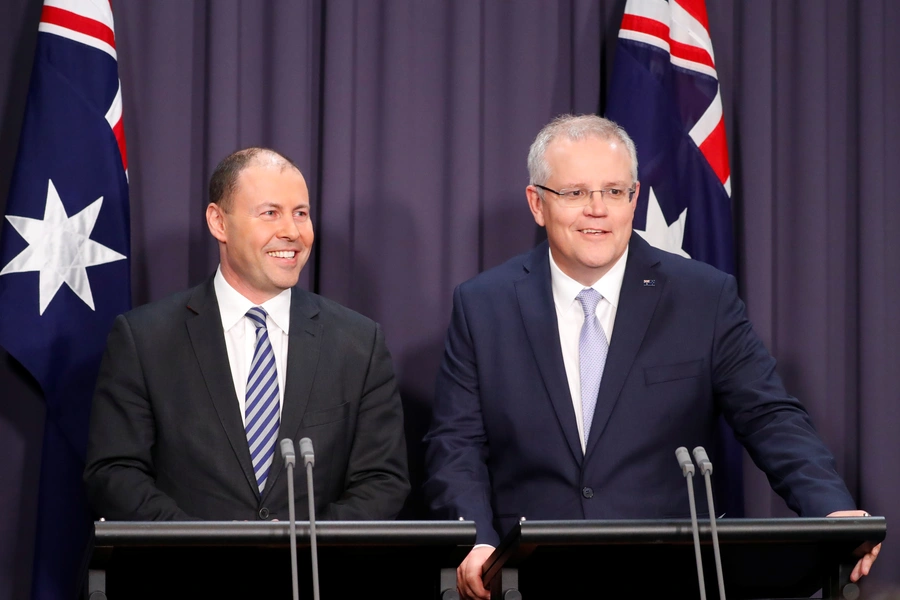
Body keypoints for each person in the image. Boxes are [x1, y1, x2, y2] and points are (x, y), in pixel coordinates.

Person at [422, 114, 879, 599]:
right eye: (575, 193)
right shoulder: (484, 304)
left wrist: (830, 509)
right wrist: (473, 538)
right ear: (537, 203)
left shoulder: (702, 298)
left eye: (614, 192)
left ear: (635, 199)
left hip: (670, 574)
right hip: (529, 578)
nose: (597, 210)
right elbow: (456, 443)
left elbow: (769, 416)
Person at [84, 147, 409, 523]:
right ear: (219, 222)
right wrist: (209, 550)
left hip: (311, 577)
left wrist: (302, 550)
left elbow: (383, 480)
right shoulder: (144, 340)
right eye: (270, 213)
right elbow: (114, 473)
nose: (291, 232)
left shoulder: (359, 343)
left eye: (300, 214)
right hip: (186, 577)